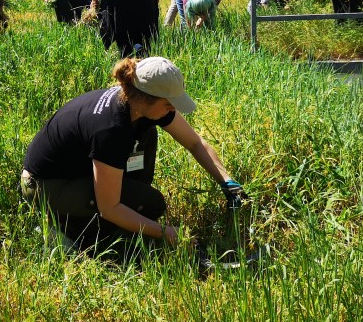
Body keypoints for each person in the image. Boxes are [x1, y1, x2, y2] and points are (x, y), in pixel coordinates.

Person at [21, 56, 245, 260]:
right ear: (146, 97)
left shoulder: (138, 104)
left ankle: (114, 217)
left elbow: (195, 142)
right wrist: (165, 233)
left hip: (78, 171)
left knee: (147, 139)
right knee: (150, 205)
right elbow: (109, 207)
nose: (171, 110)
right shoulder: (111, 129)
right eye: (168, 104)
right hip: (45, 186)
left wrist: (228, 182)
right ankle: (69, 233)